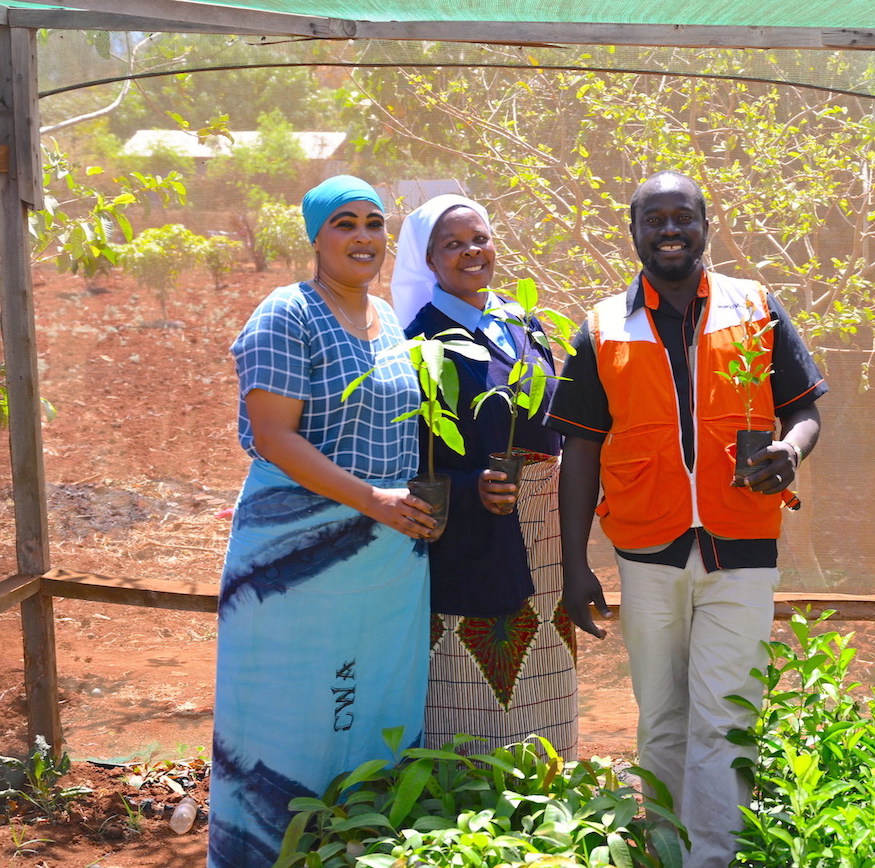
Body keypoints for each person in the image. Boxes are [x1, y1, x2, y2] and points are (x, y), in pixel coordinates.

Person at [546, 170, 826, 868]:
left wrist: (791, 451)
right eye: (654, 220)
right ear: (633, 230)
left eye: (683, 218)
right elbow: (579, 446)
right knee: (663, 715)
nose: (670, 231)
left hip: (743, 543)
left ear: (707, 224)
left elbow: (805, 410)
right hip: (647, 548)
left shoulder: (756, 306)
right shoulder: (603, 326)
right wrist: (574, 563)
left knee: (726, 711)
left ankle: (715, 858)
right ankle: (665, 851)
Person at [208, 176, 440, 868]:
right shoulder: (288, 314)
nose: (364, 237)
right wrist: (371, 499)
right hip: (296, 558)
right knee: (289, 719)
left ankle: (358, 851)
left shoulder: (390, 320)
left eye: (375, 223)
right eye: (345, 223)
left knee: (370, 707)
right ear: (316, 238)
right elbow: (276, 437)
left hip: (386, 558)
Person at [390, 194, 578, 758]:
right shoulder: (421, 343)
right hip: (477, 534)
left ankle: (549, 787)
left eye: (480, 238)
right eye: (452, 244)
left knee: (545, 663)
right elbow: (412, 456)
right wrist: (472, 484)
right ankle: (469, 808)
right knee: (472, 678)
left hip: (544, 530)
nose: (471, 252)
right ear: (428, 262)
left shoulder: (525, 322)